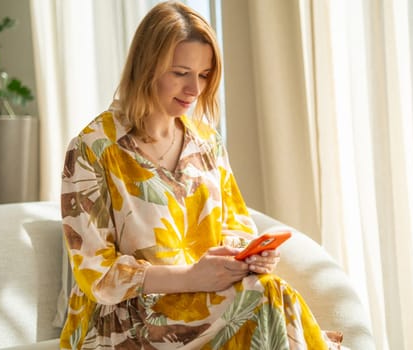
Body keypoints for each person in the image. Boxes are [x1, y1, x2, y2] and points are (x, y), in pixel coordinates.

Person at [60, 1, 343, 349]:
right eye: (180, 73)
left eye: (204, 75)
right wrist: (192, 276)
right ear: (146, 67)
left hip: (202, 302)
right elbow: (96, 273)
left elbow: (236, 227)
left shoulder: (207, 142)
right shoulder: (93, 148)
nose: (195, 89)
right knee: (265, 301)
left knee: (266, 290)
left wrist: (247, 258)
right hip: (126, 320)